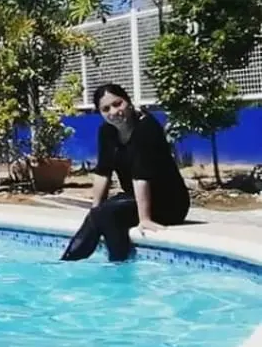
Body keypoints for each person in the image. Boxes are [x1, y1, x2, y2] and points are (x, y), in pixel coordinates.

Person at [61, 82, 190, 263]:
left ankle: (118, 264)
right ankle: (67, 262)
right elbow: (103, 172)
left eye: (117, 104)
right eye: (106, 109)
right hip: (135, 197)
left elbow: (141, 175)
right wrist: (94, 210)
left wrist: (144, 218)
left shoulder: (146, 128)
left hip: (168, 202)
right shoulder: (107, 131)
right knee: (100, 213)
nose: (113, 112)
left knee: (107, 213)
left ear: (128, 102)